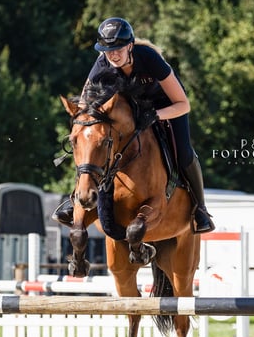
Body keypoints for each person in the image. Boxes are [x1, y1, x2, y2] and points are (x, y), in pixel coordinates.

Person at [53, 17, 215, 234]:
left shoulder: (149, 59)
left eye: (118, 48)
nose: (113, 55)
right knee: (92, 148)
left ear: (130, 45)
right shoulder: (101, 65)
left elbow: (183, 104)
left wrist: (156, 115)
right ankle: (76, 200)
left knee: (184, 152)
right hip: (128, 113)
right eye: (107, 50)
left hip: (166, 107)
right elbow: (84, 106)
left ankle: (200, 209)